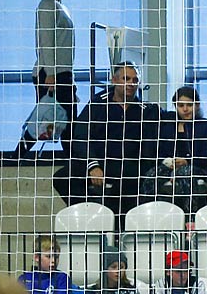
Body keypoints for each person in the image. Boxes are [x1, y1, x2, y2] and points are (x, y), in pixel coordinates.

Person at [63, 62, 161, 215]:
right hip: (100, 161)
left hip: (130, 166)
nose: (131, 84)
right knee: (63, 177)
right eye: (126, 79)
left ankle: (117, 224)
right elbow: (81, 136)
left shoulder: (147, 110)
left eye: (135, 80)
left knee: (129, 181)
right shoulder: (98, 104)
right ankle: (88, 214)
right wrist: (93, 165)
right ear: (114, 80)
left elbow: (171, 120)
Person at [146, 84, 207, 208]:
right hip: (170, 165)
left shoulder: (206, 126)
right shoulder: (168, 125)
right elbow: (160, 150)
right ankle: (155, 211)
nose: (185, 109)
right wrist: (168, 161)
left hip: (197, 167)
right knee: (152, 174)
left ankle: (189, 215)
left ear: (197, 106)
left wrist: (186, 161)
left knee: (184, 172)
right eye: (181, 105)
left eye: (189, 105)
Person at [34, 0, 75, 125]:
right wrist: (51, 74)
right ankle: (21, 147)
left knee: (66, 122)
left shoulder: (61, 7)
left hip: (63, 72)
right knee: (46, 121)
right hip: (52, 73)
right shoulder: (47, 5)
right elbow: (46, 41)